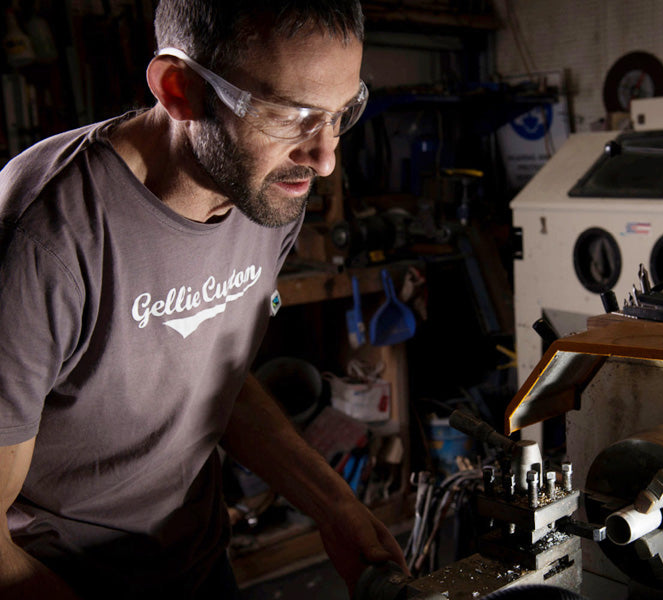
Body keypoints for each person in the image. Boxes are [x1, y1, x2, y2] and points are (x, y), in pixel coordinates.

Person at [0, 1, 407, 597]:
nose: (324, 159)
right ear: (180, 90)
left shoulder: (268, 193)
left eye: (340, 114)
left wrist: (333, 505)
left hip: (198, 564)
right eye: (289, 115)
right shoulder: (44, 240)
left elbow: (216, 375)